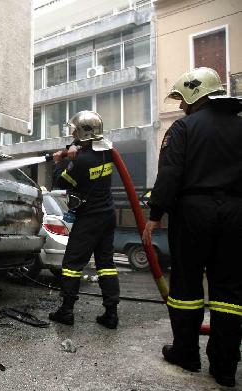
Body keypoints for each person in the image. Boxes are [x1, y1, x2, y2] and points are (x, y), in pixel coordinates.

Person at [142, 67, 242, 387]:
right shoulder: (240, 126)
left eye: (184, 100)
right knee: (229, 291)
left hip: (193, 212)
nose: (182, 107)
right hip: (236, 214)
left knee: (185, 286)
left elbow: (170, 173)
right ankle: (225, 367)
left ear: (195, 94)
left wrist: (155, 214)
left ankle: (186, 352)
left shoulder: (183, 128)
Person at [48, 110, 119, 329]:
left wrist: (61, 162)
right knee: (106, 264)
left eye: (75, 130)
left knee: (72, 264)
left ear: (83, 132)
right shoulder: (107, 154)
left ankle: (66, 311)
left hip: (89, 217)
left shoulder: (82, 161)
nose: (73, 133)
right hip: (107, 214)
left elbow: (60, 184)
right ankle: (111, 314)